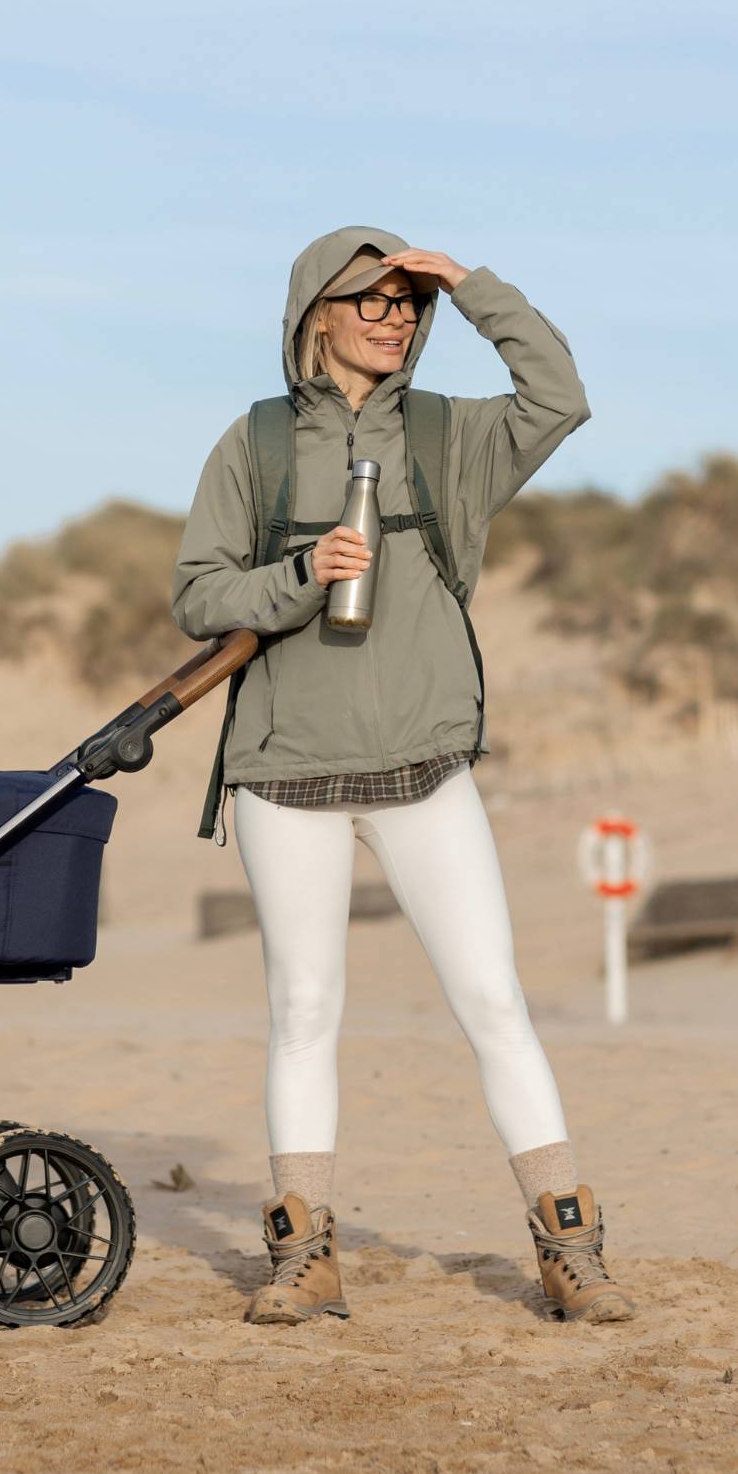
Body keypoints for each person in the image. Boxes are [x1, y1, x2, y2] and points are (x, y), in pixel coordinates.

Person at [171, 226, 634, 1327]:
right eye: (367, 298)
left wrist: (467, 285)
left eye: (404, 302)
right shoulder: (258, 443)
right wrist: (298, 572)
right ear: (312, 315)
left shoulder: (446, 436)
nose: (391, 315)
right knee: (305, 1009)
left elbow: (559, 393)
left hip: (424, 769)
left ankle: (570, 1249)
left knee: (491, 1000)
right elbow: (197, 596)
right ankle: (305, 1255)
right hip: (286, 773)